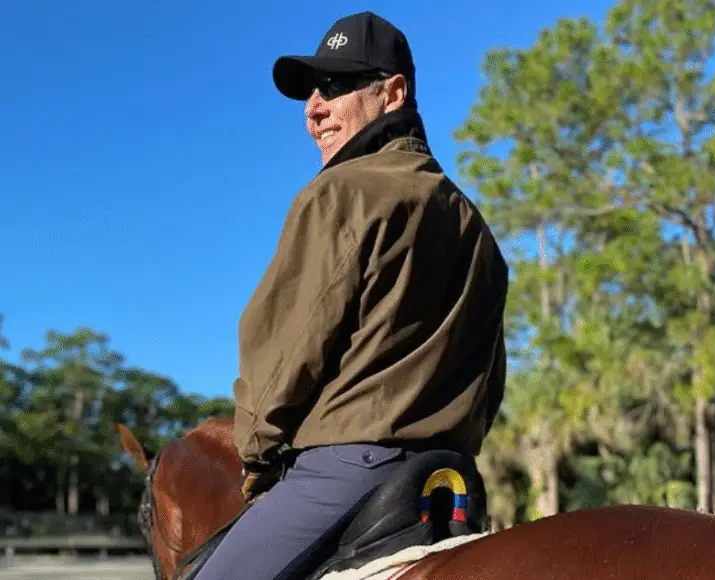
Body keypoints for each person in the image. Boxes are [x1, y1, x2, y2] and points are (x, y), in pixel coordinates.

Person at [195, 11, 509, 580]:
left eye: (335, 87)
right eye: (311, 92)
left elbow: (284, 353)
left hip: (347, 469)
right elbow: (490, 384)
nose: (313, 108)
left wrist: (257, 453)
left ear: (393, 92)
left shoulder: (339, 193)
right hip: (451, 480)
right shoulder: (477, 230)